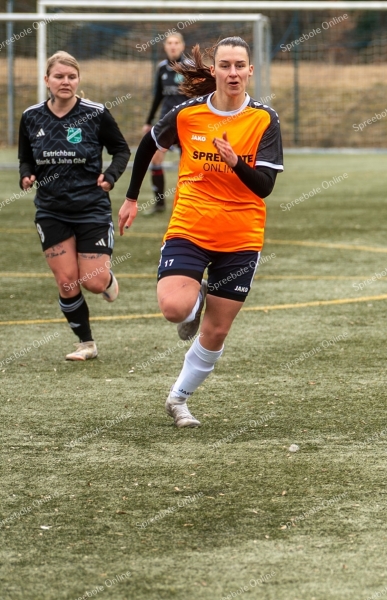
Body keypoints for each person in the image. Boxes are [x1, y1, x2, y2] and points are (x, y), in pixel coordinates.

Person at [119, 36, 283, 428]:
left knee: (216, 330)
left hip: (241, 237)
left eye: (239, 65)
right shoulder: (187, 113)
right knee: (175, 309)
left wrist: (235, 162)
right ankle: (196, 298)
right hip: (190, 228)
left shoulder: (264, 119)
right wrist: (131, 198)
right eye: (225, 65)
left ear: (250, 71)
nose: (232, 73)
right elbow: (148, 145)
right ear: (214, 71)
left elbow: (264, 187)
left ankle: (178, 399)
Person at [18, 51, 130, 361]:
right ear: (47, 80)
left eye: (71, 76)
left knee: (93, 282)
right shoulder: (31, 116)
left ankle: (107, 280)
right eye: (59, 76)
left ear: (78, 80)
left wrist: (110, 176)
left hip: (91, 208)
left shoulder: (95, 113)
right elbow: (25, 156)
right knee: (67, 282)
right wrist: (26, 174)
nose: (65, 82)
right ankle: (86, 344)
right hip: (51, 210)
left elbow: (121, 150)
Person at [142, 31, 188, 215]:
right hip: (166, 122)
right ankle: (159, 204)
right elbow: (158, 97)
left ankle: (185, 203)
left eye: (176, 43)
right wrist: (148, 121)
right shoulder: (162, 68)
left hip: (185, 122)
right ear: (165, 47)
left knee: (187, 163)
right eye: (169, 43)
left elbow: (199, 95)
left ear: (182, 46)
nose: (173, 46)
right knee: (156, 158)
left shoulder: (190, 67)